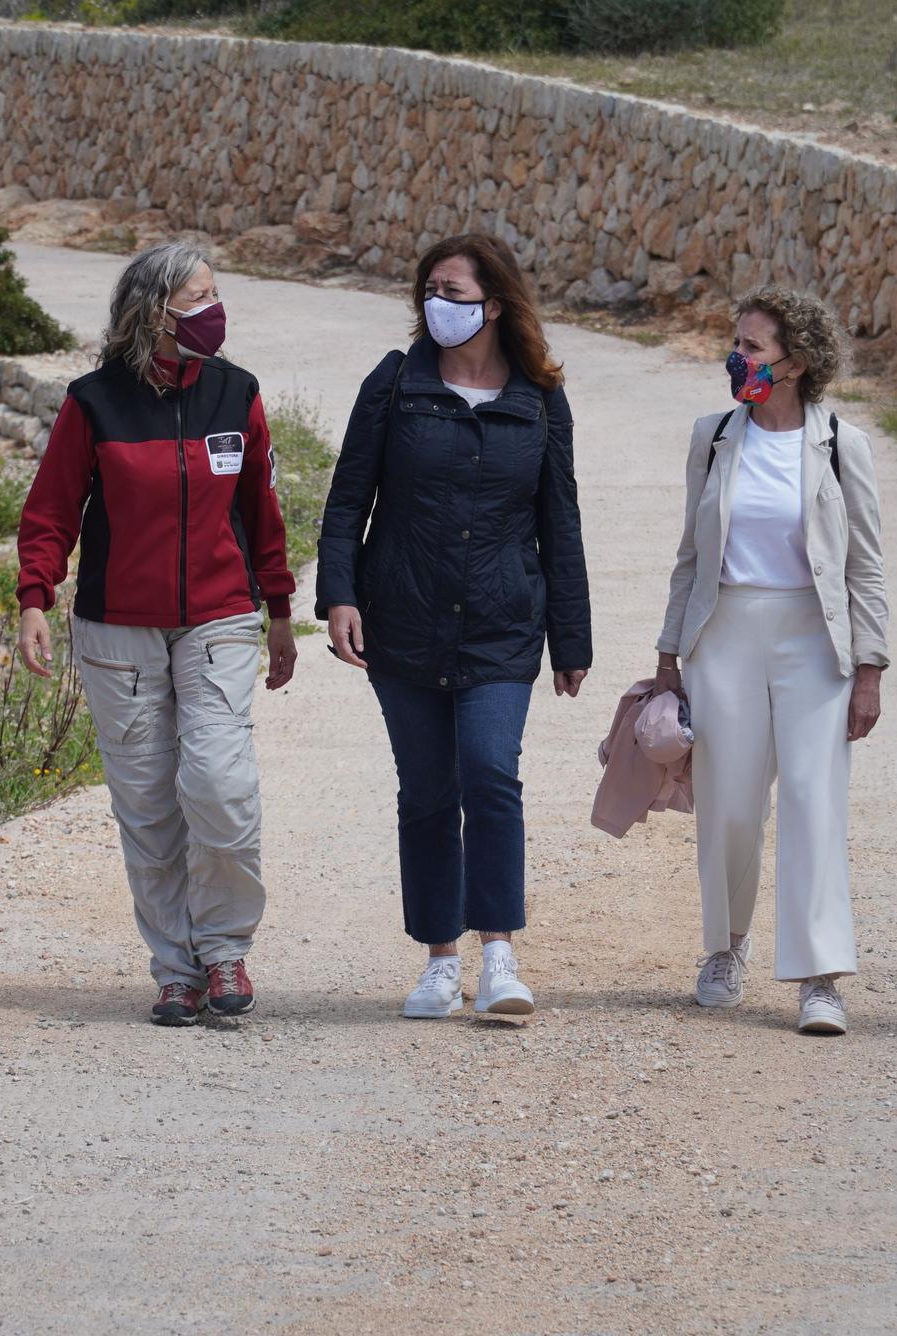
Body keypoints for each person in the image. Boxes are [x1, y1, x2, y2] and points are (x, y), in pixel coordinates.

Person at [15, 241, 299, 1027]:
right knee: (147, 805)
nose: (214, 312)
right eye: (198, 299)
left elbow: (260, 515)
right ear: (153, 314)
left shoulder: (235, 395)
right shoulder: (94, 403)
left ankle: (225, 947)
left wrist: (279, 612)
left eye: (215, 295)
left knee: (219, 785)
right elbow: (51, 511)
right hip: (117, 632)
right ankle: (176, 969)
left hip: (219, 619)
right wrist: (34, 598)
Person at [316, 233, 591, 1021]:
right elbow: (347, 501)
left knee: (489, 771)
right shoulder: (396, 384)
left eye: (455, 291)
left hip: (503, 622)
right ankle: (440, 960)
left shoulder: (539, 398)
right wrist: (340, 595)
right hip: (403, 618)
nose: (437, 302)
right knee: (429, 789)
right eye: (429, 288)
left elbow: (560, 521)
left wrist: (572, 638)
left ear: (495, 304)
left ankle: (499, 953)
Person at [655, 287, 889, 1035]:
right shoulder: (714, 436)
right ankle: (726, 947)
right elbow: (691, 555)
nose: (738, 358)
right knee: (728, 804)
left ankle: (820, 976)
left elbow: (867, 568)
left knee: (815, 803)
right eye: (739, 344)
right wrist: (668, 655)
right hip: (724, 631)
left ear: (800, 362)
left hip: (814, 640)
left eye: (753, 348)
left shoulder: (841, 445)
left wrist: (871, 667)